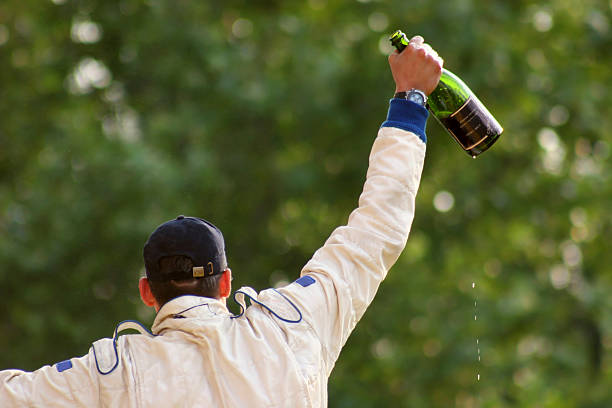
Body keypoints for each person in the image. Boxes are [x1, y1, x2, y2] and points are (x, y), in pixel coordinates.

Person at [0, 35, 443, 407]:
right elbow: (379, 227)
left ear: (147, 292)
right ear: (226, 282)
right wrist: (410, 98)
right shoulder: (292, 332)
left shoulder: (109, 376)